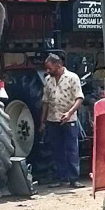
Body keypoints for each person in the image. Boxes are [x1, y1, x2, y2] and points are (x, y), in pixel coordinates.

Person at [39, 53, 85, 186]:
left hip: (69, 120)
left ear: (58, 66)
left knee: (71, 149)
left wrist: (70, 113)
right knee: (57, 150)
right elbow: (45, 102)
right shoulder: (48, 80)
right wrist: (43, 122)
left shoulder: (72, 78)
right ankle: (62, 178)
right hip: (53, 119)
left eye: (50, 68)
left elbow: (79, 98)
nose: (48, 71)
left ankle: (74, 179)